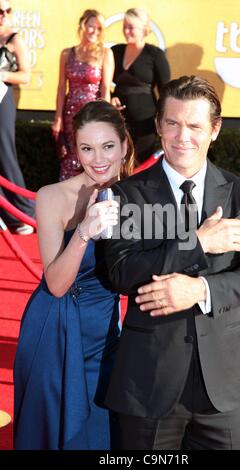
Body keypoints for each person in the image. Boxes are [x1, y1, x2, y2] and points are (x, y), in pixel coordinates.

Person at [104, 75, 240, 450]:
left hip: (224, 382)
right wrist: (197, 242)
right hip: (148, 381)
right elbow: (120, 272)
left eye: (195, 125)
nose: (183, 136)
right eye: (173, 123)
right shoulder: (127, 194)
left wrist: (200, 289)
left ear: (214, 130)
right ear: (158, 126)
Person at [13, 100, 135, 450]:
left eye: (108, 146)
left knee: (104, 435)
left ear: (124, 145)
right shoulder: (52, 196)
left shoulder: (140, 198)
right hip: (55, 331)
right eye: (87, 148)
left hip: (109, 337)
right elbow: (55, 283)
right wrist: (83, 231)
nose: (98, 158)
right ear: (75, 150)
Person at [51, 9, 114, 181]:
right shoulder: (67, 53)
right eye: (91, 26)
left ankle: (91, 202)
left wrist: (105, 118)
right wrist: (58, 118)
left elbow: (105, 88)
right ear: (83, 26)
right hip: (70, 115)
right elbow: (61, 87)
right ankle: (66, 201)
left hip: (92, 115)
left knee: (90, 156)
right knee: (70, 159)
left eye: (99, 28)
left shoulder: (105, 54)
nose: (94, 31)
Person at [111, 8, 170, 163]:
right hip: (117, 121)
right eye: (124, 26)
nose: (126, 31)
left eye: (131, 27)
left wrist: (163, 120)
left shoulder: (155, 54)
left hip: (145, 122)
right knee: (116, 162)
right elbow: (102, 82)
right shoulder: (114, 51)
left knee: (140, 164)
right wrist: (111, 98)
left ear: (144, 29)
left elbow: (165, 91)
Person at [0, 0, 34, 234]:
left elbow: (25, 75)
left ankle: (23, 213)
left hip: (2, 99)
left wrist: (1, 73)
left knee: (4, 153)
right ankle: (5, 215)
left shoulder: (14, 38)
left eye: (7, 10)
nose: (3, 14)